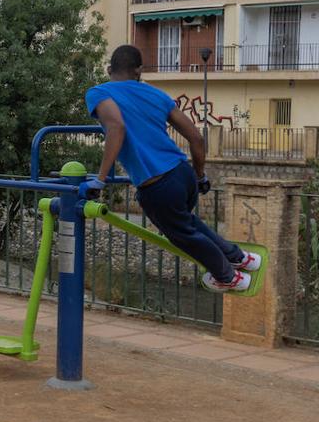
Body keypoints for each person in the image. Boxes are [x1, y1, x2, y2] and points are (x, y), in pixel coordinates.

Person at [86, 45, 261, 293]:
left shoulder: (98, 93)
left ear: (108, 69)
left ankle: (228, 277)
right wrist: (200, 176)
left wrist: (100, 180)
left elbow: (116, 127)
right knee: (188, 223)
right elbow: (197, 139)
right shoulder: (157, 95)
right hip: (183, 173)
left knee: (183, 235)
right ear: (139, 71)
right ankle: (241, 258)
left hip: (157, 185)